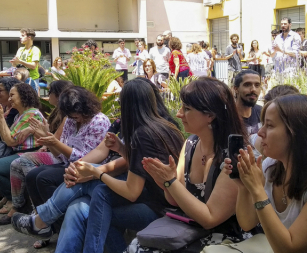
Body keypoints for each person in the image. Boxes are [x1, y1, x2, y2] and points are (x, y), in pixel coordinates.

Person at [11, 78, 182, 252]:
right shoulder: (143, 126)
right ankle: (45, 225)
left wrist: (95, 172)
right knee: (76, 207)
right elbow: (124, 157)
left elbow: (132, 189)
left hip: (152, 201)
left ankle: (41, 221)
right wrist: (84, 166)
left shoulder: (143, 133)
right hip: (139, 188)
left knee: (96, 196)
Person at [126, 77, 248, 253]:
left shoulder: (234, 157)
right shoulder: (190, 144)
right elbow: (175, 201)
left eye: (187, 109)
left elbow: (210, 218)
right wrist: (165, 183)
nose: (179, 113)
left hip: (224, 238)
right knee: (135, 246)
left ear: (210, 115)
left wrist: (170, 182)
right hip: (189, 230)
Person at [223, 94, 307, 252]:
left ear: (296, 133)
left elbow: (288, 249)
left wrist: (257, 190)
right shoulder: (272, 166)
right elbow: (247, 223)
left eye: (269, 125)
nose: (260, 132)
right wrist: (243, 187)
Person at [8, 86, 111, 227]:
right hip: (69, 164)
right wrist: (49, 141)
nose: (76, 119)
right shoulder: (70, 120)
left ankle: (55, 224)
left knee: (43, 179)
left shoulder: (98, 121)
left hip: (87, 168)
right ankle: (46, 224)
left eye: (77, 115)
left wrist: (55, 142)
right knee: (32, 176)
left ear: (86, 107)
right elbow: (61, 156)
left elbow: (86, 158)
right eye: (72, 116)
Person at [0, 83, 45, 225]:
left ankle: (15, 200)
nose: (10, 99)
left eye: (12, 95)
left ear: (23, 96)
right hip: (13, 150)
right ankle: (9, 195)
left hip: (26, 153)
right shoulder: (21, 114)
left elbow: (10, 141)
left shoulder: (31, 114)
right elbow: (5, 134)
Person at [233, 70, 262, 143]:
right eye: (247, 85)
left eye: (257, 85)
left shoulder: (262, 112)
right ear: (236, 89)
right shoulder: (226, 115)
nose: (253, 89)